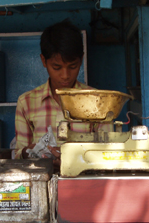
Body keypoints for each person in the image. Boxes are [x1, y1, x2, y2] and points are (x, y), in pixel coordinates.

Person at [14, 20, 107, 162]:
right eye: (57, 67)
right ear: (43, 61)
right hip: (40, 181)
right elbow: (18, 154)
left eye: (73, 66)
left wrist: (74, 159)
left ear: (81, 60)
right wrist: (28, 151)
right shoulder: (26, 103)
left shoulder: (98, 101)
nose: (65, 75)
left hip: (84, 182)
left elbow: (107, 152)